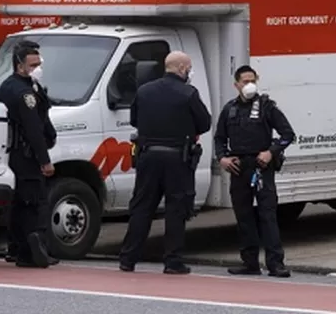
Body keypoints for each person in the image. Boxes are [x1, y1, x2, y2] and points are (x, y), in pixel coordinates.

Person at [118, 51, 212, 275]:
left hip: (148, 155)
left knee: (142, 207)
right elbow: (204, 123)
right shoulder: (188, 93)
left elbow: (134, 120)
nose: (189, 71)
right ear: (181, 68)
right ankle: (173, 261)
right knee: (176, 209)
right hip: (177, 158)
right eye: (188, 67)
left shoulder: (144, 90)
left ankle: (128, 258)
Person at [214, 65, 295, 278]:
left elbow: (288, 134)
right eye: (245, 81)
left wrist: (271, 152)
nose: (249, 85)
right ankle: (249, 263)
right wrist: (222, 157)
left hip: (261, 167)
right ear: (236, 85)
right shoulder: (229, 109)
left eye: (252, 80)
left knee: (267, 215)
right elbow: (219, 138)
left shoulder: (267, 107)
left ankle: (275, 263)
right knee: (244, 216)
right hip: (238, 167)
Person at [0, 40, 58, 268]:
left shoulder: (29, 86)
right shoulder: (22, 91)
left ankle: (16, 248)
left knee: (21, 204)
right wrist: (45, 160)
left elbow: (44, 118)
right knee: (33, 203)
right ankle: (32, 250)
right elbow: (33, 129)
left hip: (21, 153)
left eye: (39, 63)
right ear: (19, 65)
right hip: (25, 154)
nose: (37, 68)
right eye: (32, 64)